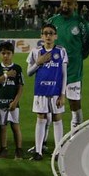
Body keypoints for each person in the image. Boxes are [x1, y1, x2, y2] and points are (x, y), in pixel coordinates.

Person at [46, 0, 89, 131]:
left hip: (73, 72)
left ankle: (75, 138)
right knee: (49, 107)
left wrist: (74, 60)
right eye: (63, 2)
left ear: (75, 5)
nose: (65, 5)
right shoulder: (52, 21)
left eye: (69, 3)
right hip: (54, 71)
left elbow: (86, 48)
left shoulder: (82, 24)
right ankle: (45, 141)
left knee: (75, 105)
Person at [27, 24, 69, 160]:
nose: (48, 36)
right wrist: (38, 62)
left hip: (56, 91)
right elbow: (28, 73)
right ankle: (38, 152)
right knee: (41, 119)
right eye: (45, 33)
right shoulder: (36, 51)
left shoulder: (61, 51)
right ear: (41, 36)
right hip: (40, 91)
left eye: (51, 33)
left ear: (55, 36)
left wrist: (63, 94)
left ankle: (58, 152)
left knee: (57, 118)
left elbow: (64, 74)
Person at [0, 41, 24, 160]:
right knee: (2, 127)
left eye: (8, 53)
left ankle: (19, 150)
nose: (6, 56)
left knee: (15, 126)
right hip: (0, 102)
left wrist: (15, 102)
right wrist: (6, 75)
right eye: (3, 53)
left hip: (13, 103)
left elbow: (20, 86)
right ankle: (3, 150)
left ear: (12, 54)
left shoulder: (17, 68)